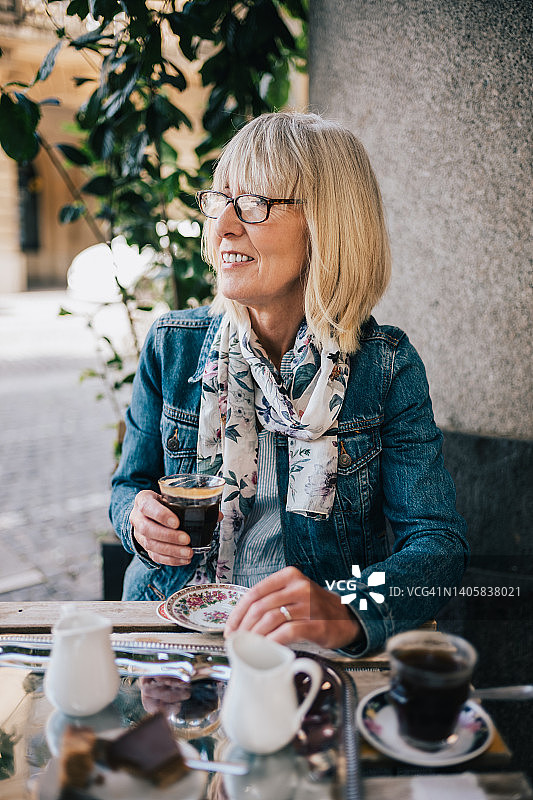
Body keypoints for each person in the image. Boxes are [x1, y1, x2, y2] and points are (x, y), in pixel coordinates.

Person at [110, 111, 468, 656]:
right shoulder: (171, 344)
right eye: (219, 200)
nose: (223, 225)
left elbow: (438, 545)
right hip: (169, 630)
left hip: (305, 649)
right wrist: (138, 521)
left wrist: (350, 610)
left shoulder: (386, 365)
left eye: (255, 204)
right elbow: (127, 488)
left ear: (327, 225)